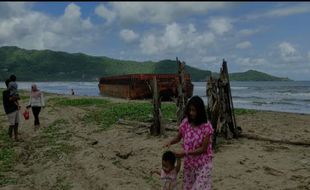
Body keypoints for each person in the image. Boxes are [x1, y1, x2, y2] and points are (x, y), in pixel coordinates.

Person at [164, 96, 214, 190]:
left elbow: (203, 149)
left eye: (194, 110)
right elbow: (178, 137)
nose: (191, 113)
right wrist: (170, 142)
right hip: (189, 165)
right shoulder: (185, 123)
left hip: (203, 164)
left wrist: (185, 153)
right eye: (190, 110)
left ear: (200, 111)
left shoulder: (207, 126)